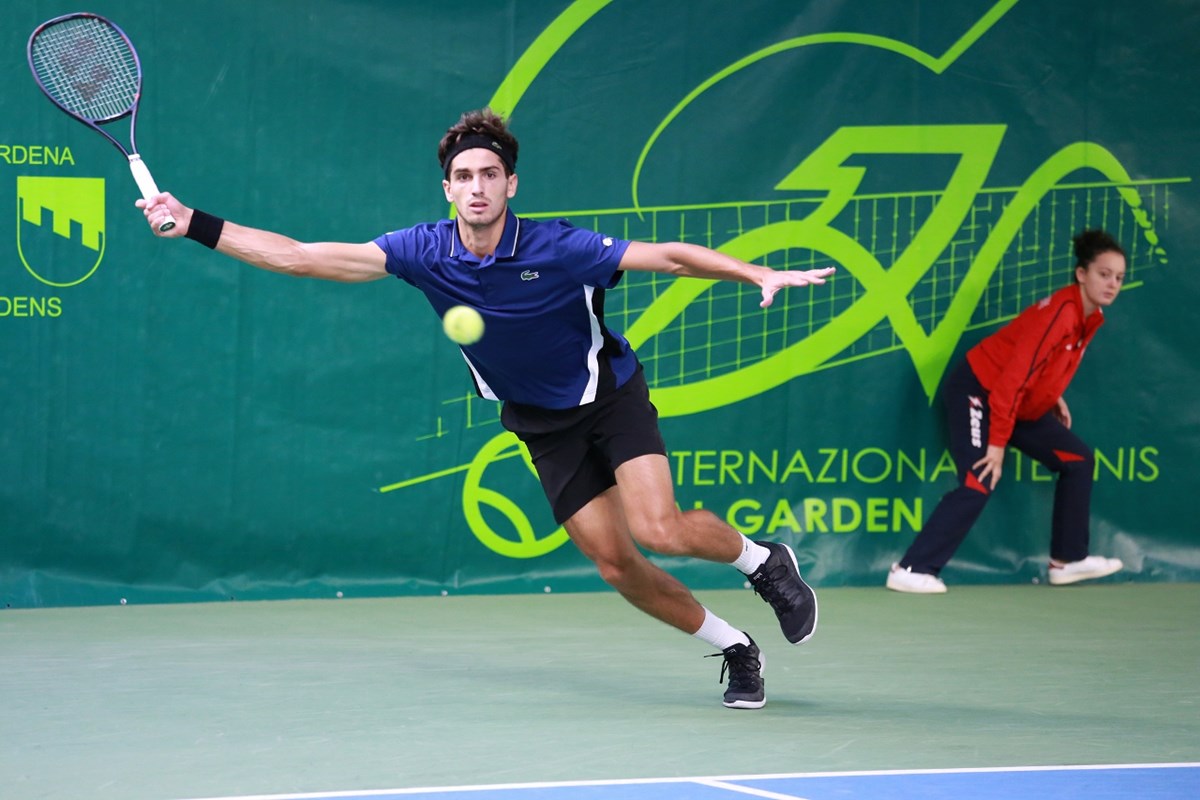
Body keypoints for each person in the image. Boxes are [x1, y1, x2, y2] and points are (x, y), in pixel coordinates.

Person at [137, 108, 835, 709]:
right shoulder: (421, 251)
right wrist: (192, 221)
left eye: (488, 175)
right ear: (448, 188)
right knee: (618, 566)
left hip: (609, 397)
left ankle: (764, 562)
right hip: (538, 421)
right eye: (463, 177)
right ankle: (736, 646)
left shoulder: (559, 246)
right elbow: (298, 257)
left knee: (661, 527)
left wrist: (755, 270)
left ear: (510, 184)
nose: (476, 187)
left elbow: (672, 258)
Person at [887, 228, 1127, 594]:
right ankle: (909, 568)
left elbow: (1038, 366)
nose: (1112, 284)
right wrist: (995, 445)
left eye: (1119, 278)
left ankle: (1067, 561)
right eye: (1103, 274)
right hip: (979, 393)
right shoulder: (1061, 314)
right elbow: (1010, 382)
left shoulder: (1087, 316)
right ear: (1082, 274)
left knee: (1077, 460)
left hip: (1015, 404)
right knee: (979, 477)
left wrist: (1049, 395)